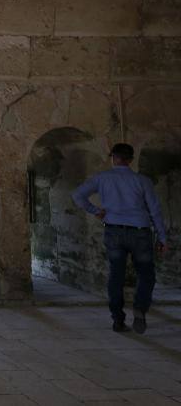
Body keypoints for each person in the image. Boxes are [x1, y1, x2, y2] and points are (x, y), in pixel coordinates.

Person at [72, 143, 167, 334]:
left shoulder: (102, 178)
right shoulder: (142, 181)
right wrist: (162, 238)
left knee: (116, 276)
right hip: (140, 231)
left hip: (114, 231)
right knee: (146, 274)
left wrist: (96, 211)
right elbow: (155, 210)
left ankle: (118, 319)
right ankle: (140, 309)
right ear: (131, 160)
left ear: (113, 158)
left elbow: (78, 195)